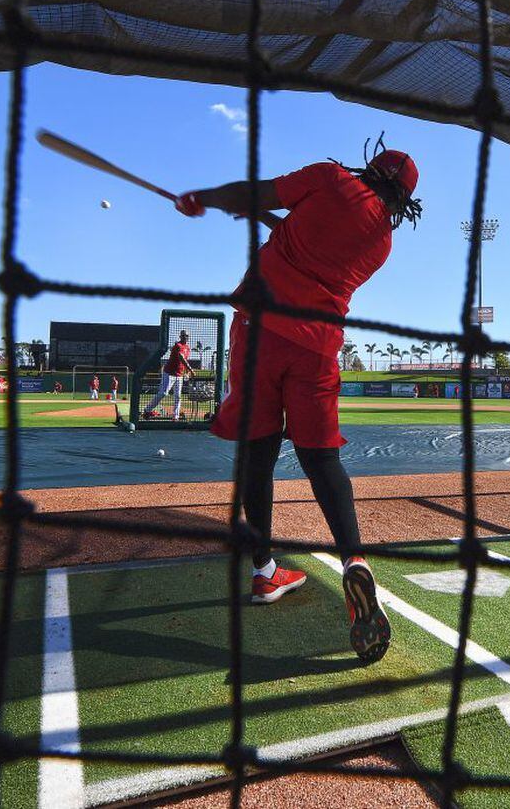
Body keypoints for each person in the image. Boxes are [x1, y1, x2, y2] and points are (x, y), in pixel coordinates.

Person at [173, 144, 422, 664]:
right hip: (317, 347)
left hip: (261, 330)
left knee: (257, 453)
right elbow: (313, 241)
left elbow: (263, 197)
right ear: (401, 197)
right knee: (321, 457)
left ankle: (264, 572)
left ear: (368, 167)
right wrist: (269, 218)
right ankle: (355, 558)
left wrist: (209, 199)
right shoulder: (383, 241)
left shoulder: (330, 178)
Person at [143, 329, 194, 420]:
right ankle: (147, 410)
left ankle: (176, 416)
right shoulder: (177, 346)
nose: (185, 337)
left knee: (178, 396)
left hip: (179, 375)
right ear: (180, 336)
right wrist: (190, 369)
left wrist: (186, 372)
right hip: (169, 373)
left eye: (186, 336)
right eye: (183, 336)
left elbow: (183, 362)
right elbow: (181, 358)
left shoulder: (187, 348)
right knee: (163, 393)